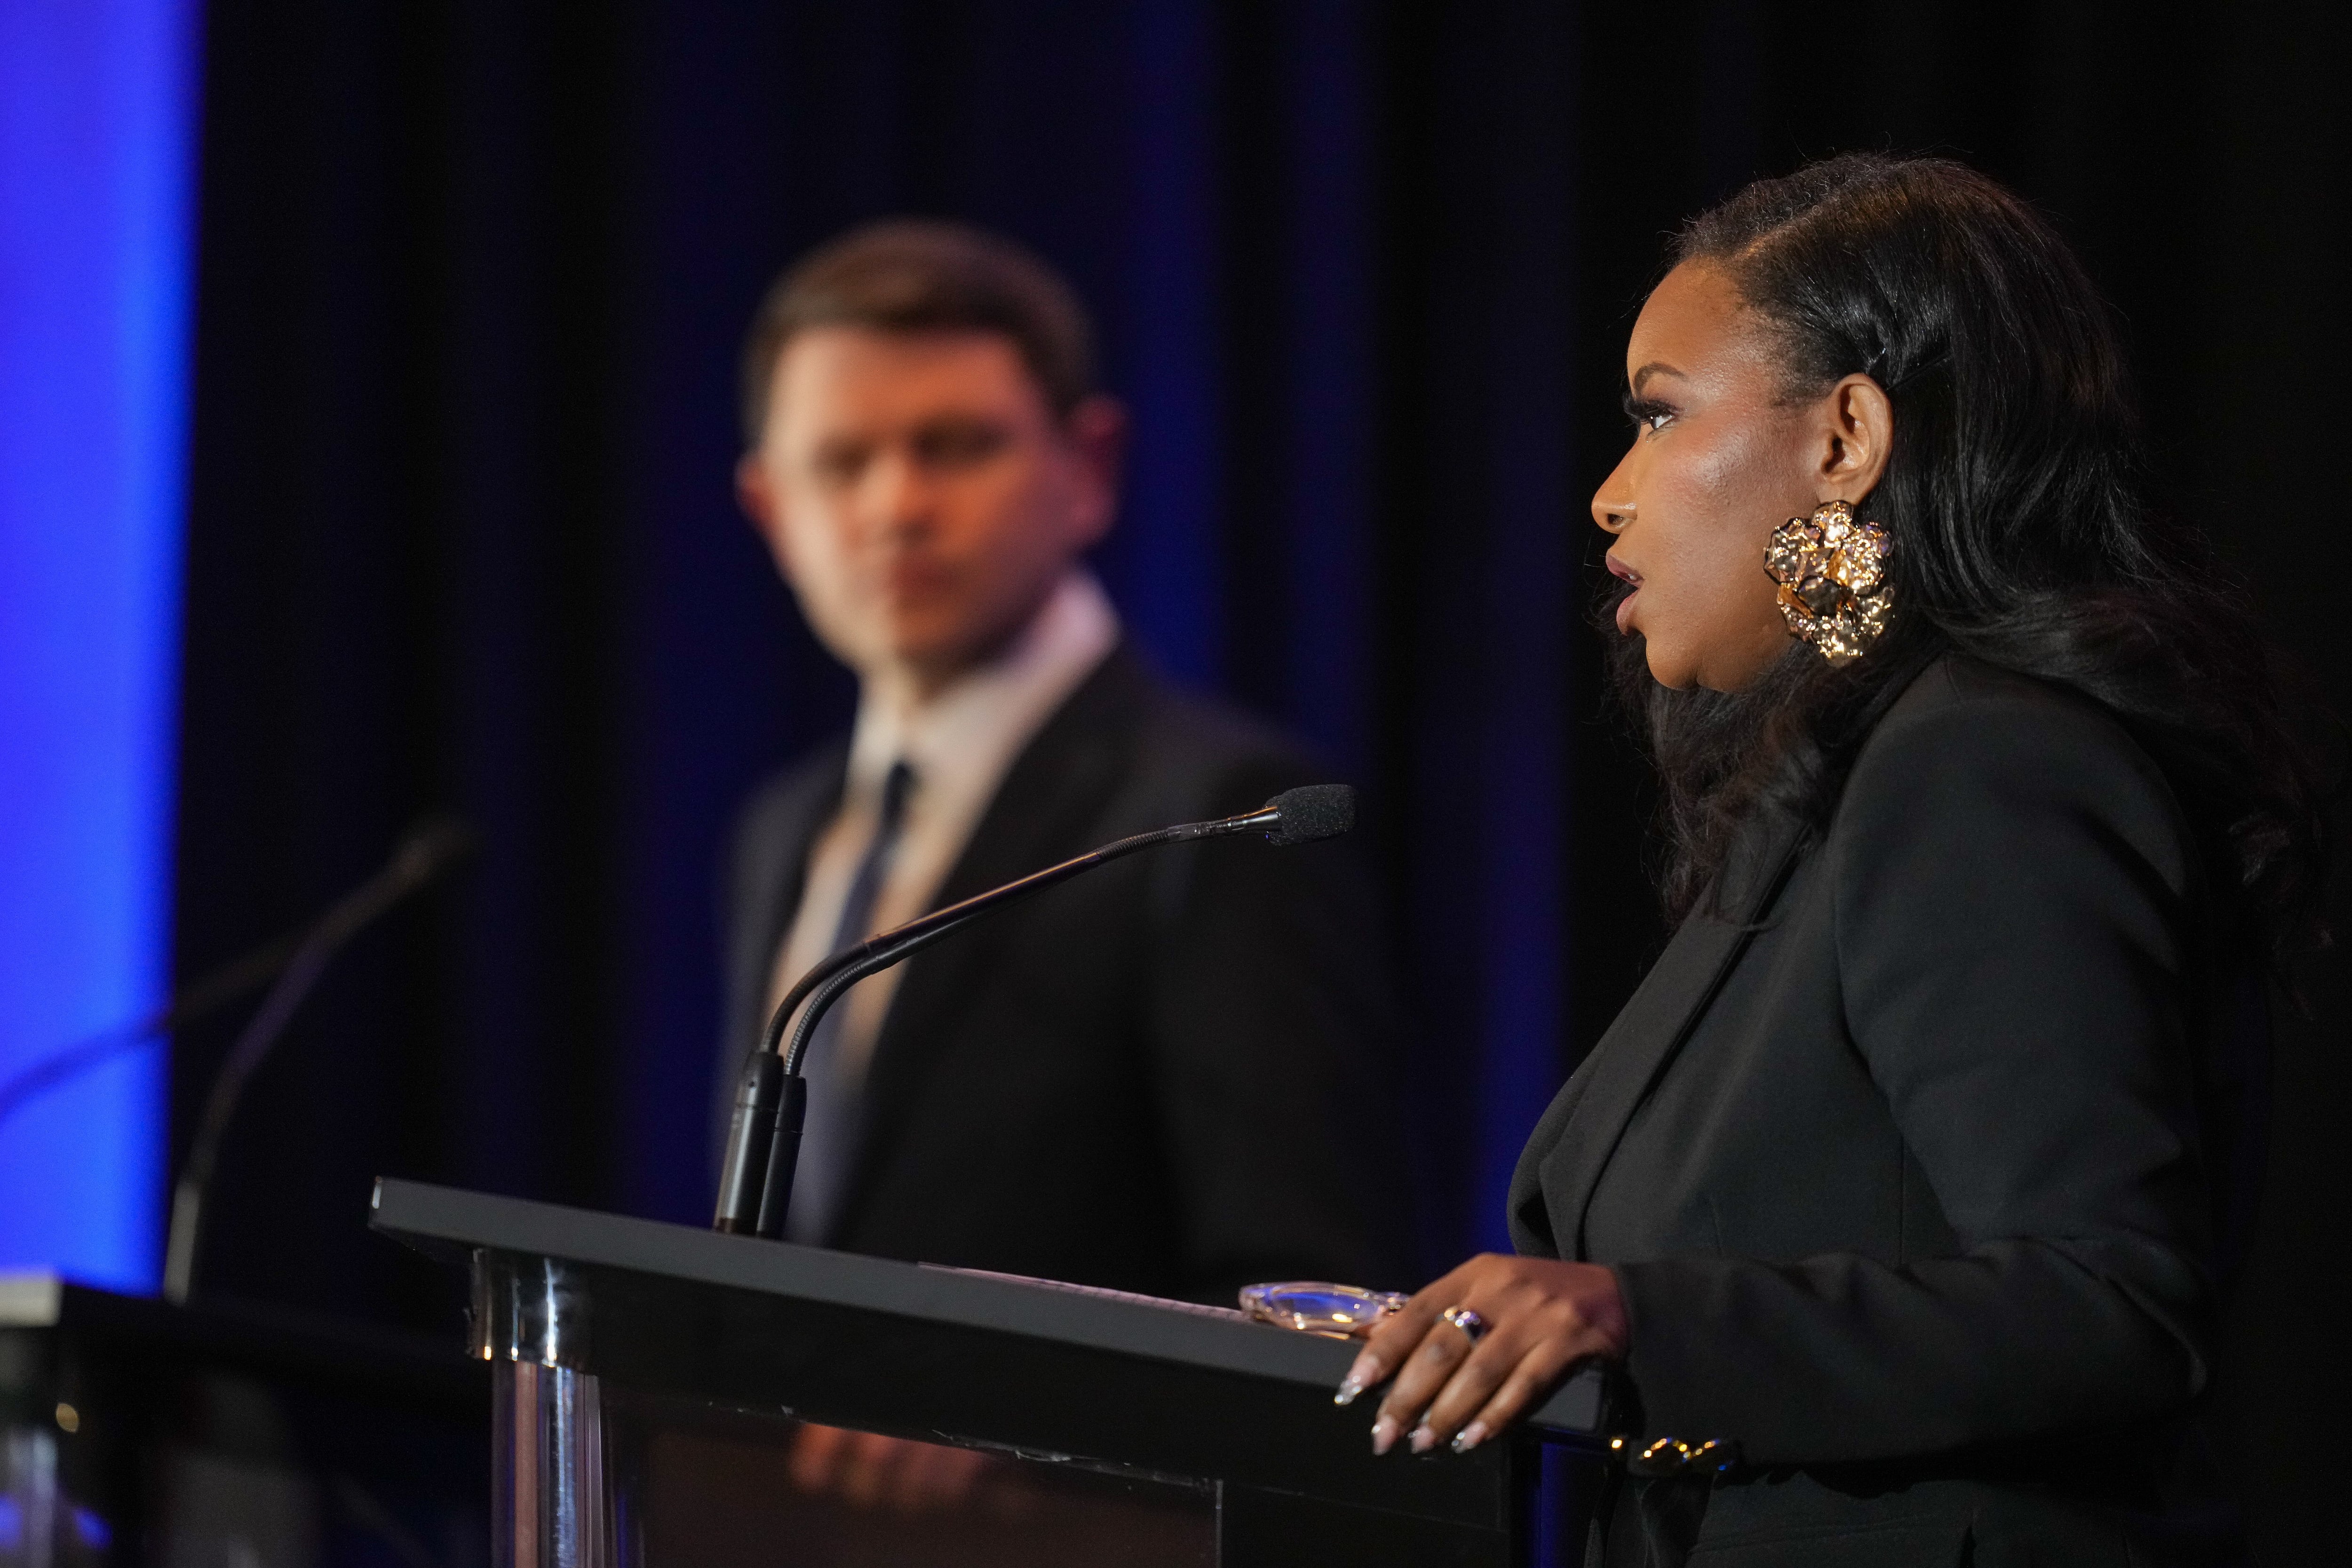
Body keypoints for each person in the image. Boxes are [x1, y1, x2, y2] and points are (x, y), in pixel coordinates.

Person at [1335, 154, 2328, 1564]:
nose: (1610, 495)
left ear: (1847, 438)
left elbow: (2107, 1299)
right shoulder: (1845, 775)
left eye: (1660, 414)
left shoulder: (1979, 762)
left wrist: (1635, 1317)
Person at [721, 218, 1408, 1303]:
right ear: (769, 508)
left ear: (1088, 468)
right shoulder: (785, 827)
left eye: (956, 446)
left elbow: (1303, 1287)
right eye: (841, 462)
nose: (897, 507)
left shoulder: (1223, 815)